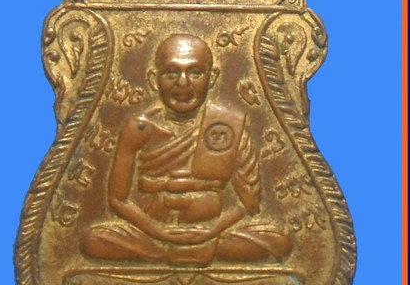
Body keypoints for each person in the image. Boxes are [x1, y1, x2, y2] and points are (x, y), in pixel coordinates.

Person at [81, 34, 291, 265]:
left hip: (214, 233)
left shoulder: (228, 125)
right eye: (172, 73)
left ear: (212, 78)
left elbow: (249, 200)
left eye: (195, 73)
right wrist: (160, 233)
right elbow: (118, 199)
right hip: (150, 234)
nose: (183, 83)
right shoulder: (139, 128)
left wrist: (210, 232)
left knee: (279, 241)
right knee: (94, 240)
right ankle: (166, 250)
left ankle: (174, 253)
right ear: (154, 79)